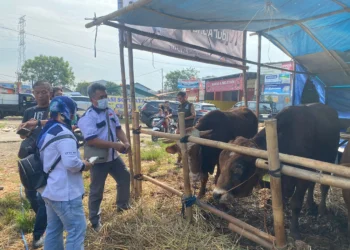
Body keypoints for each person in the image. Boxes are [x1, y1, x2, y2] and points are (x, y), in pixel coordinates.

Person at [37, 96, 92, 250]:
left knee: (54, 230)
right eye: (73, 114)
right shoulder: (64, 134)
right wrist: (85, 165)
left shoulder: (48, 130)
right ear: (64, 113)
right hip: (65, 193)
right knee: (76, 230)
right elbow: (71, 163)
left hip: (51, 190)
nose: (74, 118)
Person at [78, 83, 131, 232]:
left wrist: (126, 142)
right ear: (92, 98)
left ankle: (123, 206)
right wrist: (115, 145)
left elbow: (118, 129)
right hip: (99, 159)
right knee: (97, 190)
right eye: (101, 97)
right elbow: (92, 140)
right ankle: (95, 221)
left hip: (113, 157)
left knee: (125, 177)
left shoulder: (110, 112)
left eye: (106, 96)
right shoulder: (88, 117)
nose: (105, 99)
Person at [17, 80, 52, 248]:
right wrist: (24, 129)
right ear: (33, 93)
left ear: (50, 92)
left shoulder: (54, 109)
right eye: (37, 92)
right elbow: (22, 136)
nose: (40, 95)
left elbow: (60, 122)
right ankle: (45, 219)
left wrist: (37, 123)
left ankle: (39, 234)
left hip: (49, 158)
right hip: (31, 158)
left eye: (44, 91)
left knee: (43, 195)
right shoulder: (29, 111)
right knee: (31, 194)